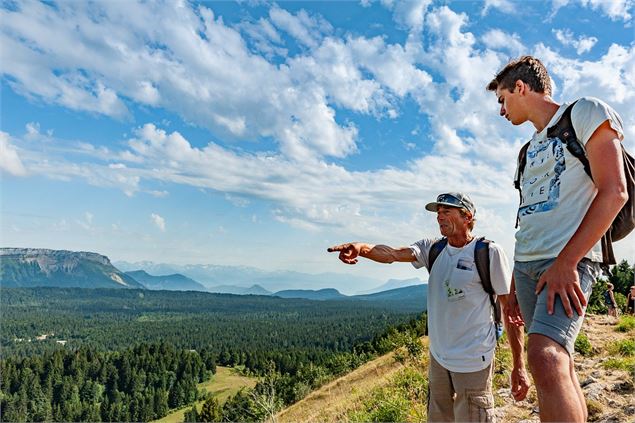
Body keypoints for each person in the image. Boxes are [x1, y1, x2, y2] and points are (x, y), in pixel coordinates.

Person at [487, 56, 628, 423]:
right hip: (528, 266)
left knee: (544, 357)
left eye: (503, 99)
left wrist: (567, 262)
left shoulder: (585, 112)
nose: (501, 110)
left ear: (521, 87)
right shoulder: (527, 149)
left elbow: (615, 191)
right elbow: (530, 217)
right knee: (557, 364)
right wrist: (516, 281)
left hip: (569, 262)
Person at [328, 192, 530, 422]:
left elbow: (509, 311)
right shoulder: (432, 248)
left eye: (447, 212)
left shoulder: (488, 252)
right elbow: (392, 254)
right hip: (438, 358)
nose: (440, 217)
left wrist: (519, 366)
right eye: (438, 213)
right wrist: (361, 248)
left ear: (467, 216)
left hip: (473, 359)